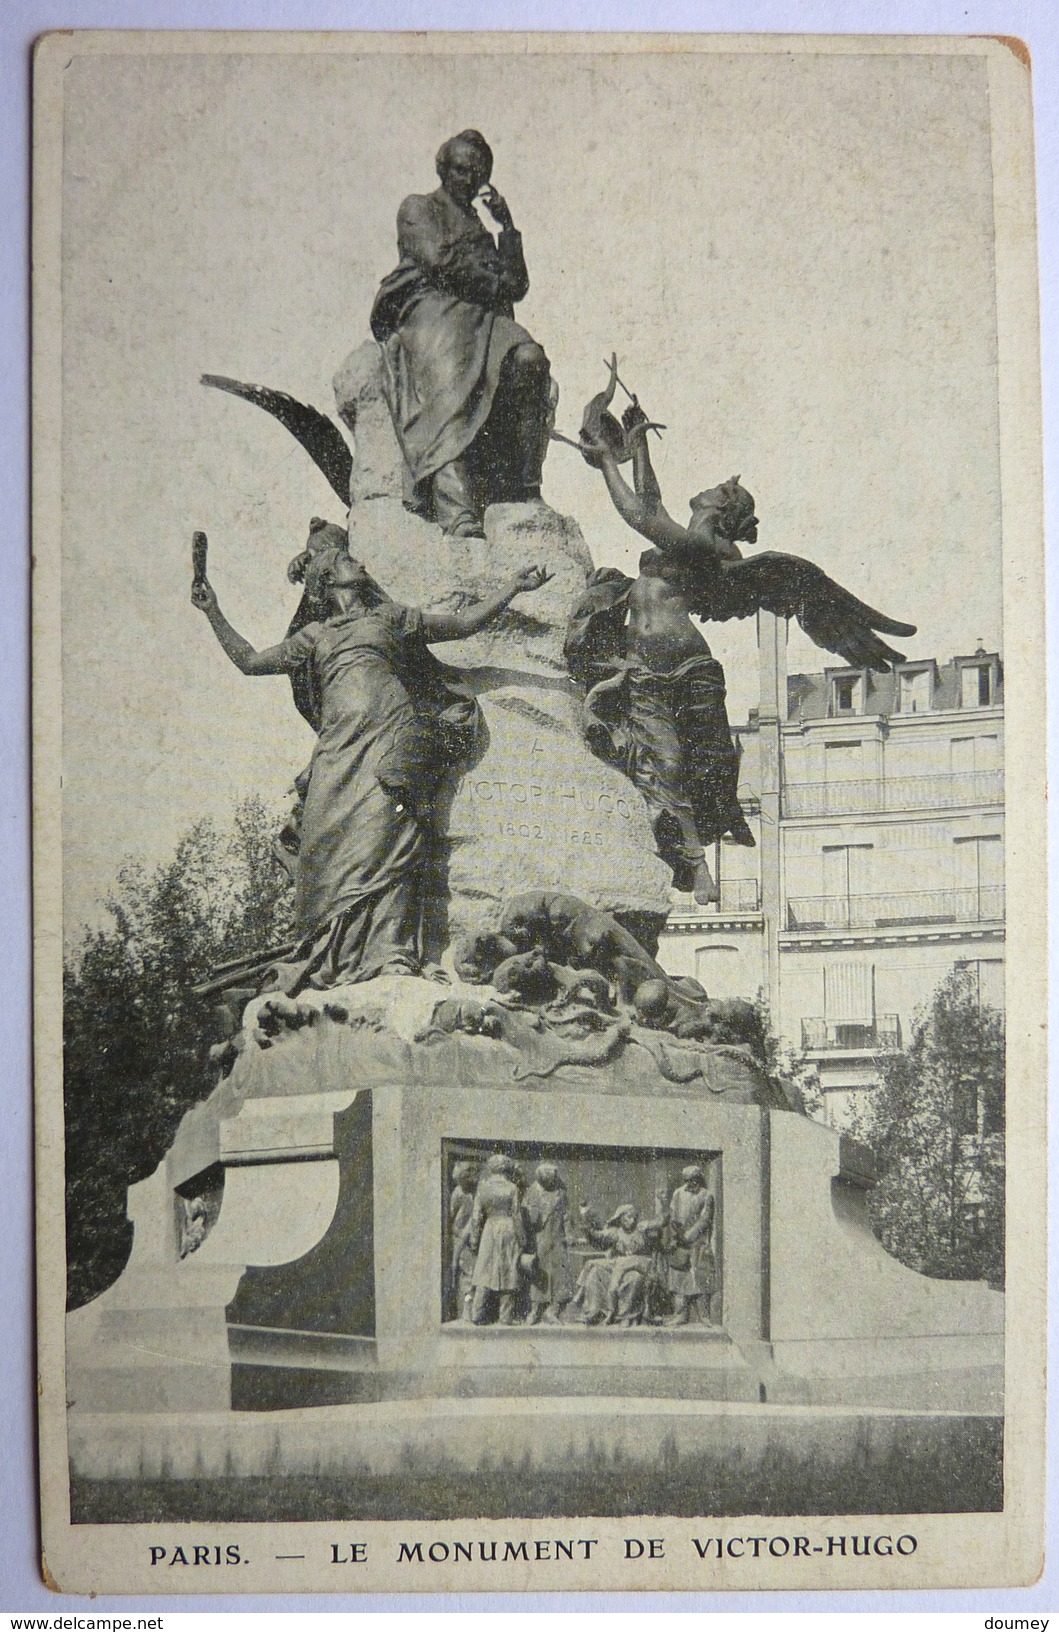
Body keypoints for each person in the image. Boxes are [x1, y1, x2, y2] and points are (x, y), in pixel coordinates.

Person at [192, 528, 550, 990]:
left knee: (392, 841)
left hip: (387, 742)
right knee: (326, 853)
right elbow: (249, 661)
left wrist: (514, 588)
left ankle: (391, 953)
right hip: (337, 755)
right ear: (329, 579)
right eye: (347, 561)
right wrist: (212, 611)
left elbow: (462, 625)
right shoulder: (314, 636)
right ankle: (334, 957)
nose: (360, 565)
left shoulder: (390, 619)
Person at [370, 130, 552, 537]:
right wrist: (492, 281)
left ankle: (521, 489)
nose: (468, 178)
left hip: (482, 314)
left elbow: (517, 286)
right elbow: (437, 261)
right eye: (460, 169)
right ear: (443, 168)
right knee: (449, 381)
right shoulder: (418, 207)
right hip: (431, 306)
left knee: (529, 360)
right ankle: (457, 509)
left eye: (477, 172)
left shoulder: (483, 229)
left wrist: (507, 229)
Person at [568, 1196, 667, 1328]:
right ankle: (593, 1311)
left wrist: (662, 1203)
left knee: (633, 1279)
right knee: (595, 1271)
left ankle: (626, 1315)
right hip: (617, 1266)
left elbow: (660, 1223)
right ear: (620, 1219)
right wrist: (584, 1216)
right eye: (627, 1217)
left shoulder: (642, 1230)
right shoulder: (615, 1233)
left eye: (633, 1217)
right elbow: (595, 1235)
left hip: (637, 1268)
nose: (631, 1220)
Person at [469, 1154, 526, 1326]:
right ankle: (505, 1316)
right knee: (509, 1269)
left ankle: (477, 1314)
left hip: (490, 1228)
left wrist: (474, 1239)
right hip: (508, 1228)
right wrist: (522, 1239)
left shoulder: (483, 1187)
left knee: (484, 1269)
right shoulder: (512, 1188)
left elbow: (476, 1216)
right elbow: (516, 1215)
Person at [663, 1165, 717, 1326]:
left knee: (699, 1278)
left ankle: (703, 1315)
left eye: (692, 1180)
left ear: (698, 1179)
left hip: (698, 1243)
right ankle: (680, 1314)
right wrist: (676, 1231)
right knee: (678, 1279)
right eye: (686, 1180)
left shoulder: (706, 1195)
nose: (689, 1183)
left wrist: (690, 1235)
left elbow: (705, 1219)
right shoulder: (678, 1193)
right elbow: (673, 1213)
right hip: (680, 1243)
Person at [521, 1163, 574, 1325]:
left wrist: (570, 1233)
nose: (552, 1182)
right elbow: (524, 1215)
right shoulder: (532, 1192)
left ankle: (554, 1310)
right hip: (538, 1238)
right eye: (549, 1181)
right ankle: (536, 1309)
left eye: (553, 1180)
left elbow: (566, 1214)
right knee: (538, 1272)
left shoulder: (560, 1191)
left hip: (557, 1237)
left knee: (559, 1274)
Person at [448, 1160, 479, 1322]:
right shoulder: (458, 1194)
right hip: (461, 1238)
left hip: (473, 1237)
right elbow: (452, 1219)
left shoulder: (474, 1192)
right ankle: (465, 1309)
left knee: (473, 1273)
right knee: (465, 1273)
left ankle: (472, 1307)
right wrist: (460, 1234)